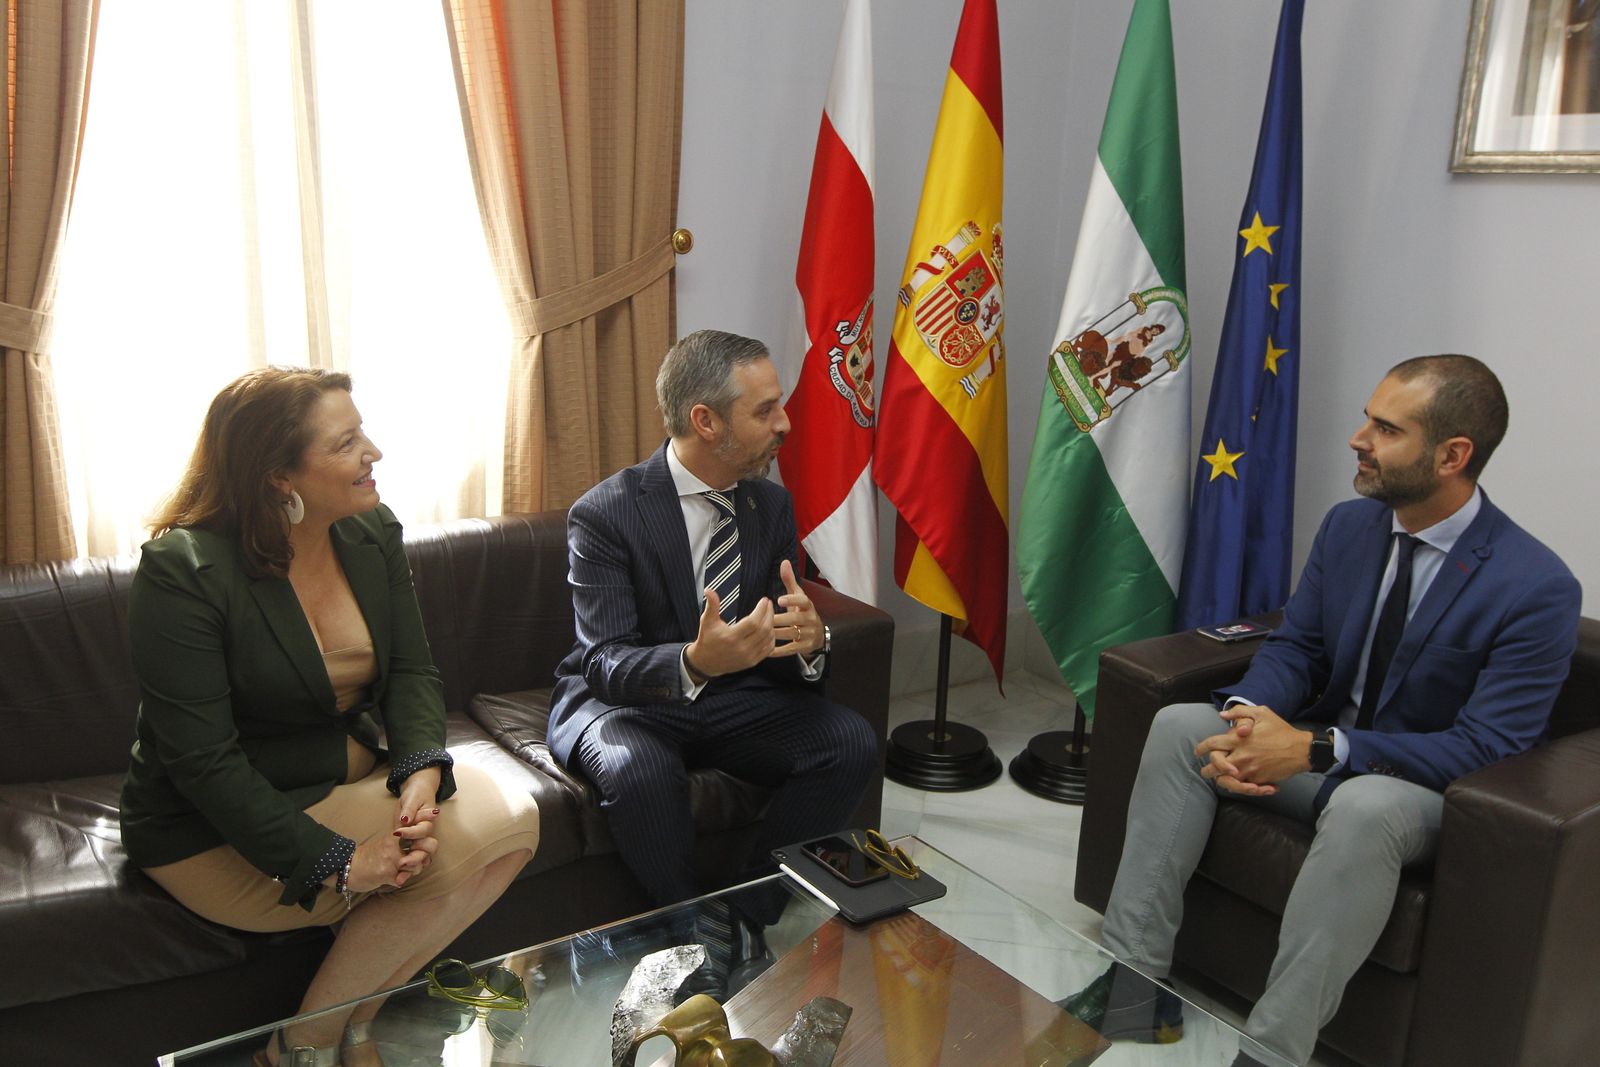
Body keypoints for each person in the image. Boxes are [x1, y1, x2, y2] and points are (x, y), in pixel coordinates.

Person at [1073, 355, 1581, 1067]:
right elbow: (1299, 648)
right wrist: (1250, 716)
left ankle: (1272, 1052)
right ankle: (1132, 983)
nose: (1357, 438)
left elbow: (1487, 746)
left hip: (1419, 790)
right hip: (1324, 753)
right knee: (1183, 726)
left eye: (1384, 428)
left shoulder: (1535, 585)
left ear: (1452, 455)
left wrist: (1317, 748)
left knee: (1368, 807)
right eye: (1367, 419)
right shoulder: (1351, 527)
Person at [119, 368, 540, 1067]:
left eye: (362, 431)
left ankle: (333, 1029)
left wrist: (418, 771)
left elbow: (411, 669)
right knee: (453, 851)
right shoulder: (182, 571)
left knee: (514, 822)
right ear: (280, 475)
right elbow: (203, 763)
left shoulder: (369, 531)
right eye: (346, 442)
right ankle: (307, 1045)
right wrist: (340, 861)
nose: (372, 451)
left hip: (334, 778)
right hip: (208, 828)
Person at [549, 329, 879, 990]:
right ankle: (687, 927)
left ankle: (740, 913)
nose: (785, 423)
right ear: (706, 420)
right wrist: (694, 661)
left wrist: (809, 644)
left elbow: (778, 637)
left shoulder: (770, 504)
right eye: (764, 410)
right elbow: (605, 661)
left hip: (736, 696)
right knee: (638, 770)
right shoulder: (607, 513)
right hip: (629, 703)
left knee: (850, 742)